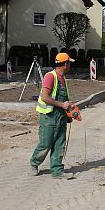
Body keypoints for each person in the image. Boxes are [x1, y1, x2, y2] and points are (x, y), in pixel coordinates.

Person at [30, 52, 75, 180]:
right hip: (49, 117)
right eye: (69, 63)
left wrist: (69, 112)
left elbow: (63, 100)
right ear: (65, 64)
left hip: (60, 116)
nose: (70, 65)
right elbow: (45, 97)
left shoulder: (63, 78)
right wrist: (62, 105)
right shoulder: (50, 76)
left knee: (60, 144)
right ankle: (34, 163)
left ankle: (57, 171)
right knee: (46, 144)